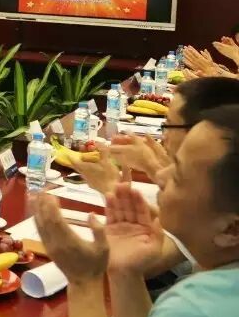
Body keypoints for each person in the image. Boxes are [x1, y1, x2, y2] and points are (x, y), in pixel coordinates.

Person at [33, 106, 239, 317]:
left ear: (231, 229)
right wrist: (124, 271)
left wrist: (84, 282)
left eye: (178, 175)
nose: (161, 177)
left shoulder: (207, 312)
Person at [71, 77, 239, 279]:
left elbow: (144, 265)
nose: (163, 135)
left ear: (201, 131)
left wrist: (113, 190)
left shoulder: (212, 196)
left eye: (169, 125)